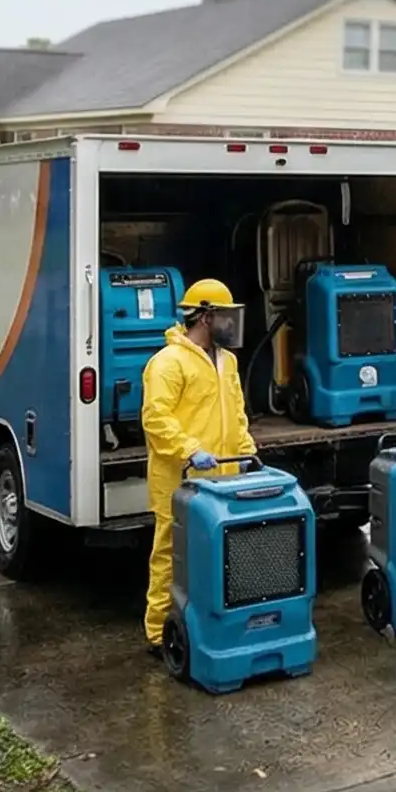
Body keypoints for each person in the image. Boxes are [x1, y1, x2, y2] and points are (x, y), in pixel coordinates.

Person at [139, 276, 257, 651]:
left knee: (216, 558)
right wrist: (190, 450)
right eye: (225, 316)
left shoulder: (228, 362)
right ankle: (159, 633)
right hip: (179, 479)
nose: (231, 324)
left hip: (221, 479)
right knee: (170, 558)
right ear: (205, 317)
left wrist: (246, 452)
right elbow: (156, 418)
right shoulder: (167, 363)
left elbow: (237, 415)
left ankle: (207, 628)